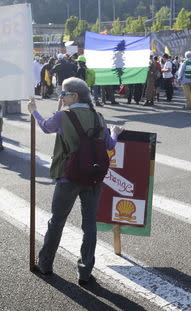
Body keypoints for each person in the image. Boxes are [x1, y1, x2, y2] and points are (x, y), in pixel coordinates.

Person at [27, 77, 124, 285]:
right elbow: (109, 144)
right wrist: (115, 133)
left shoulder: (64, 116)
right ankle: (85, 271)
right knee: (90, 225)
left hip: (68, 175)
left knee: (57, 221)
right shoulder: (98, 117)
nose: (61, 97)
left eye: (63, 93)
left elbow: (45, 126)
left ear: (74, 95)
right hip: (94, 177)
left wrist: (34, 110)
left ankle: (45, 264)